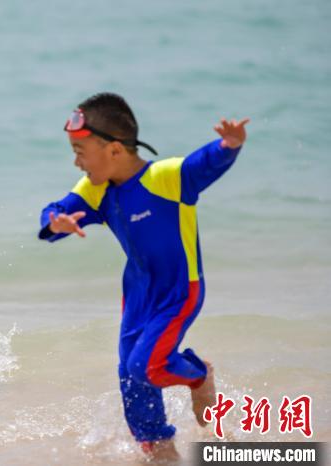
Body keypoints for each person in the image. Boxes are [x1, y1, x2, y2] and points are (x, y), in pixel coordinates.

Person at [38, 92, 249, 461]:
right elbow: (56, 212)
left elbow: (204, 163)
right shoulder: (96, 190)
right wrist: (55, 221)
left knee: (147, 365)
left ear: (115, 150)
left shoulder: (165, 179)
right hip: (136, 293)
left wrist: (229, 144)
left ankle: (198, 374)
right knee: (129, 376)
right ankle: (159, 449)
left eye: (80, 151)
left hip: (178, 290)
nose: (76, 162)